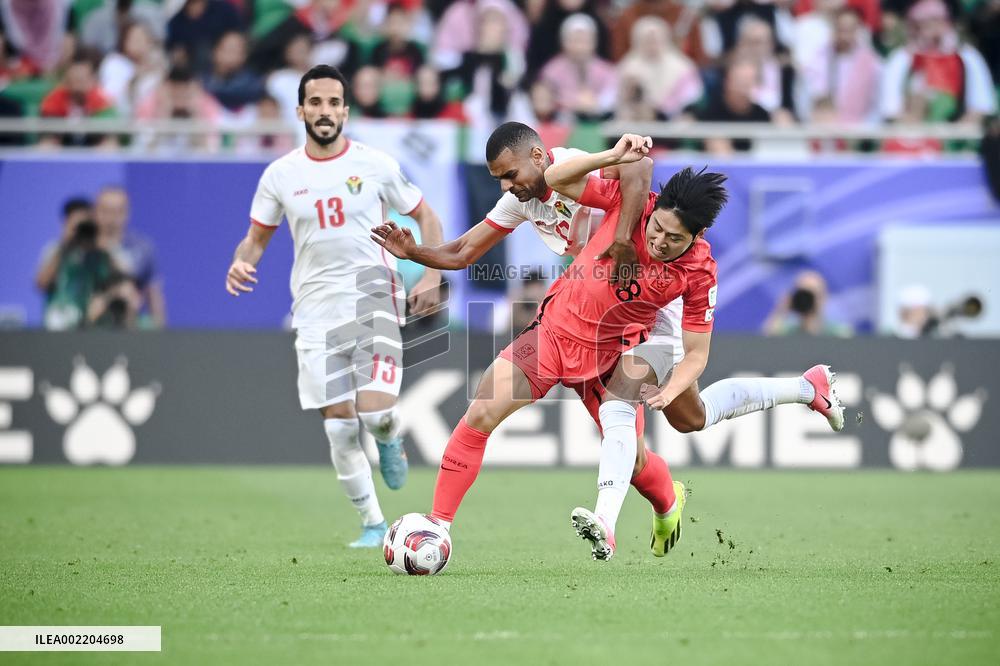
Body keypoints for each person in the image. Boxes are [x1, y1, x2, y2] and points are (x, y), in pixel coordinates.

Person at [373, 124, 845, 560]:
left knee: (679, 422)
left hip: (640, 326)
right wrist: (413, 251)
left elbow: (638, 164)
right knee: (482, 409)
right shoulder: (539, 193)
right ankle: (439, 526)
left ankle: (798, 394)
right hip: (564, 321)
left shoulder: (687, 259)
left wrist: (623, 240)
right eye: (656, 228)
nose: (505, 185)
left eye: (510, 173)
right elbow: (469, 245)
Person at [224, 65, 445, 549]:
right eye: (316, 103)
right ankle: (371, 524)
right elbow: (256, 239)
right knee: (340, 427)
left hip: (372, 293)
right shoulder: (280, 174)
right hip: (313, 306)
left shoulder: (376, 164)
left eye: (333, 103)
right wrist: (241, 263)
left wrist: (431, 272)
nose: (325, 112)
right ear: (301, 110)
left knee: (374, 414)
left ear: (345, 110)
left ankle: (390, 438)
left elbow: (425, 213)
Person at [92, 186, 166, 328]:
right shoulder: (82, 247)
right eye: (106, 211)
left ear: (127, 213)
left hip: (129, 325)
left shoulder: (142, 248)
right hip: (87, 325)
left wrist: (160, 333)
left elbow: (153, 295)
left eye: (118, 211)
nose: (111, 218)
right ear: (95, 212)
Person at [763, 270, 853, 336]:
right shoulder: (787, 331)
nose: (807, 299)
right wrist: (781, 309)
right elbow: (767, 343)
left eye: (812, 294)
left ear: (823, 297)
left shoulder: (838, 332)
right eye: (803, 294)